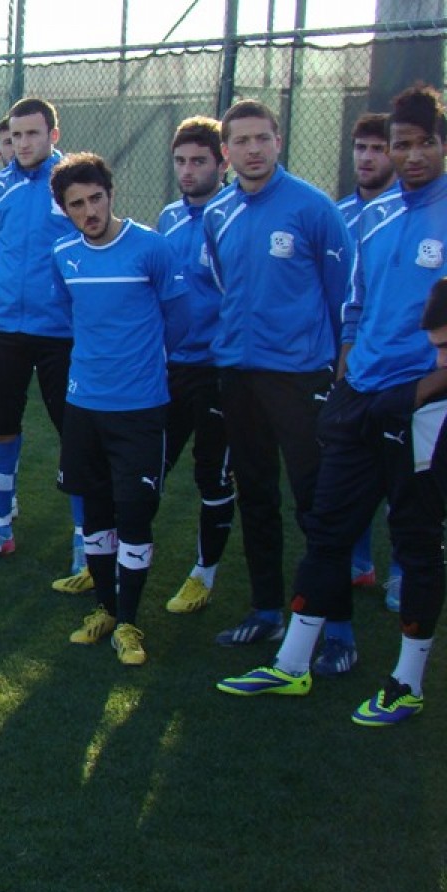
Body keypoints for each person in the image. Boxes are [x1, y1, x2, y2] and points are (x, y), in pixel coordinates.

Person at [218, 83, 447, 726]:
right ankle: (291, 664)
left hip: (422, 402)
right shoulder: (374, 216)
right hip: (358, 395)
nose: (411, 155)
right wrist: (348, 374)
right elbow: (355, 302)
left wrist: (421, 389)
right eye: (401, 144)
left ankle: (406, 682)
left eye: (425, 143)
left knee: (416, 541)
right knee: (326, 527)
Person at [203, 99, 353, 648]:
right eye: (241, 142)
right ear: (226, 152)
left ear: (278, 141)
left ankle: (336, 626)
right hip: (238, 377)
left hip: (300, 378)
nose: (253, 150)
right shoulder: (218, 213)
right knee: (257, 496)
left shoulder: (313, 208)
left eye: (262, 138)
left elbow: (343, 296)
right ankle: (266, 611)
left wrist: (337, 365)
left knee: (317, 501)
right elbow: (225, 284)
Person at [50, 152, 184, 666]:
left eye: (96, 199)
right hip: (84, 405)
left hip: (140, 408)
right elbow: (73, 314)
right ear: (64, 209)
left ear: (111, 194)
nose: (89, 211)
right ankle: (105, 608)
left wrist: (143, 366)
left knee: (133, 513)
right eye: (77, 204)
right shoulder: (64, 255)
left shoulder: (151, 248)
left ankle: (129, 621)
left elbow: (180, 320)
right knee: (96, 514)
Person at [0, 97, 87, 582]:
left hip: (61, 332)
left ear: (53, 135)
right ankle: (0, 530)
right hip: (8, 330)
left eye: (33, 133)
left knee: (75, 435)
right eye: (16, 135)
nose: (23, 143)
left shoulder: (73, 184)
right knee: (1, 428)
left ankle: (85, 540)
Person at [154, 116, 236, 612]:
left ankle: (204, 574)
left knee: (212, 474)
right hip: (171, 367)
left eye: (199, 161)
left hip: (219, 370)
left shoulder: (234, 217)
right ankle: (120, 558)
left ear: (222, 163)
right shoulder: (168, 218)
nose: (188, 171)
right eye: (181, 161)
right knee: (147, 465)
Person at [337, 112, 402, 610]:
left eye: (378, 148)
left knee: (405, 477)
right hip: (353, 362)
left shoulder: (414, 212)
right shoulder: (340, 214)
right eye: (361, 147)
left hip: (409, 370)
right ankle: (358, 563)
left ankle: (403, 571)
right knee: (348, 474)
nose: (367, 157)